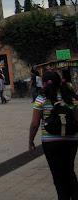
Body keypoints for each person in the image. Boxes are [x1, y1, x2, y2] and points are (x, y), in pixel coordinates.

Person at [29, 71, 78, 199]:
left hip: (51, 142)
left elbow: (34, 123)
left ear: (44, 83)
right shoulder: (70, 96)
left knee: (58, 175)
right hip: (71, 140)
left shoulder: (42, 98)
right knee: (69, 171)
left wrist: (31, 140)